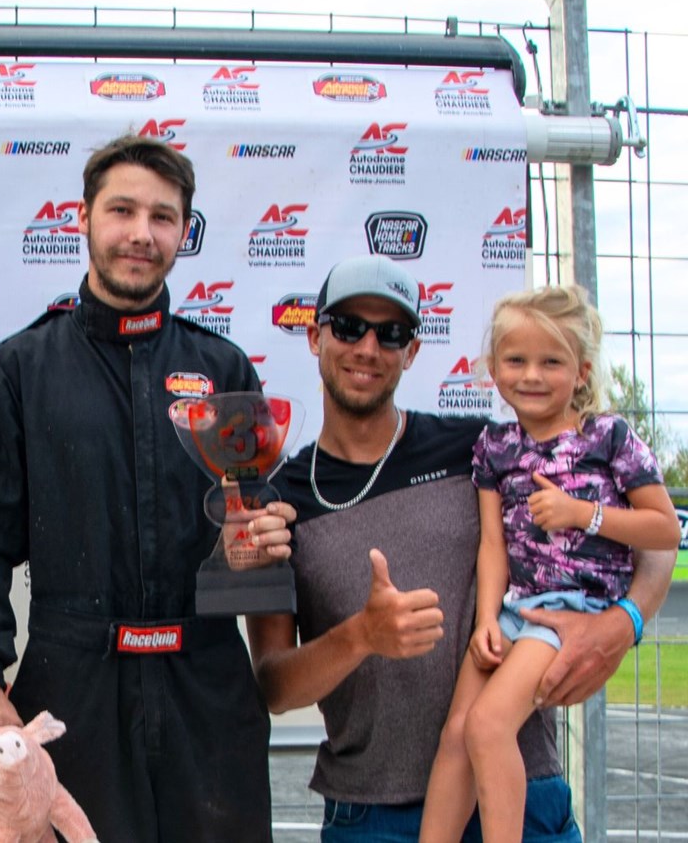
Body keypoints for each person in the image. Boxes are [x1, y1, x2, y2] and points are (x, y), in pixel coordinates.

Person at [0, 135, 295, 842]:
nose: (140, 233)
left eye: (162, 217)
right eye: (121, 210)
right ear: (83, 218)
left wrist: (258, 548)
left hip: (208, 690)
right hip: (74, 687)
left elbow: (255, 540)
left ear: (184, 233)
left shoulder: (221, 366)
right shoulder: (21, 369)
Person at [248, 256, 676, 843]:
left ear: (413, 351)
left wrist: (624, 622)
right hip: (372, 813)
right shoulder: (284, 503)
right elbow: (275, 687)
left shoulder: (482, 448)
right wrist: (363, 636)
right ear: (315, 335)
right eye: (348, 326)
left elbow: (656, 544)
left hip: (522, 796)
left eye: (391, 332)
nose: (368, 347)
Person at [418, 286, 680, 843]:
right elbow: (493, 545)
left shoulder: (608, 437)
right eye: (516, 360)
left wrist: (583, 514)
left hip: (573, 609)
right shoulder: (494, 446)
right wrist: (487, 618)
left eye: (551, 362)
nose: (532, 375)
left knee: (490, 728)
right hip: (515, 609)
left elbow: (664, 528)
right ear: (492, 369)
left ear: (581, 372)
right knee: (458, 734)